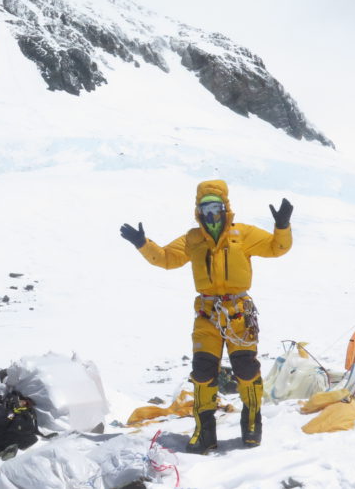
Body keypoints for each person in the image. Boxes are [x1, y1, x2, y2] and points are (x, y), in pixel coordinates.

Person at [120, 179, 293, 454]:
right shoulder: (192, 239)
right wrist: (143, 244)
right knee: (202, 374)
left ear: (225, 207)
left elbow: (277, 248)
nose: (211, 212)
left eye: (215, 206)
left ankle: (251, 426)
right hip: (207, 315)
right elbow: (166, 258)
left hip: (239, 314)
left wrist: (282, 226)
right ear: (198, 210)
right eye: (205, 207)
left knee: (246, 370)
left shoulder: (243, 234)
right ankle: (204, 433)